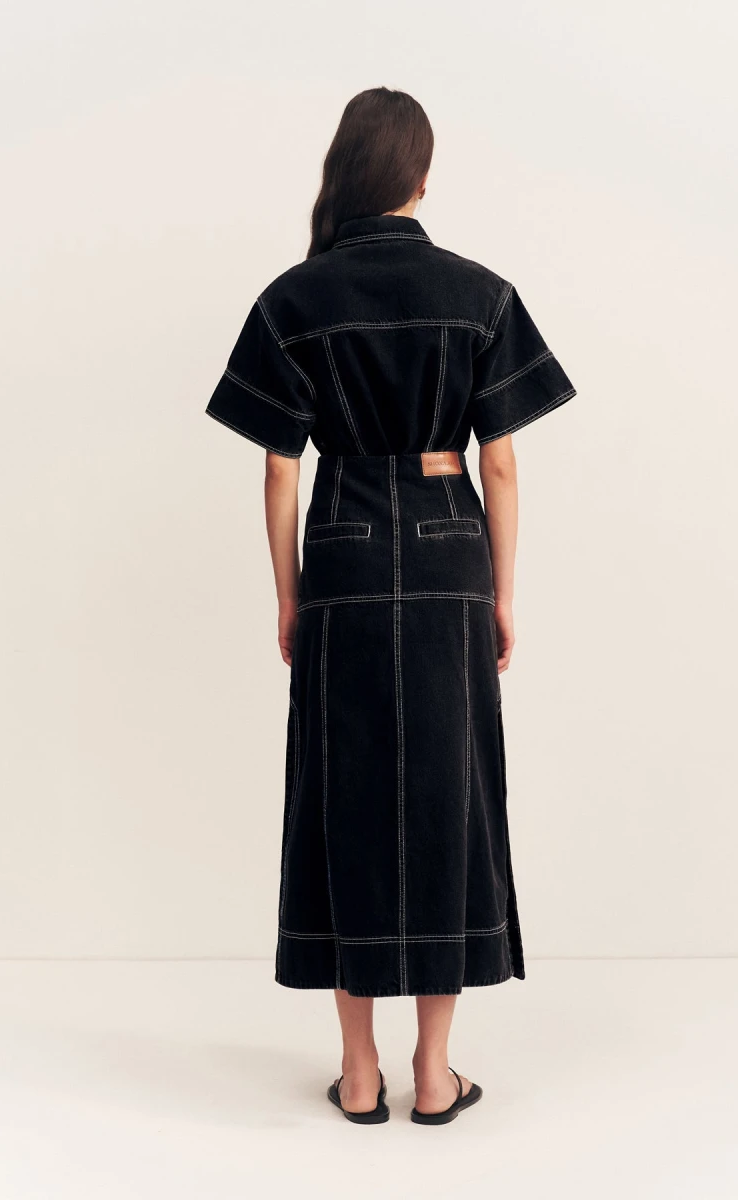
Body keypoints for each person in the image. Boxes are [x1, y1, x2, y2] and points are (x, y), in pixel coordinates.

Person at [205, 87, 575, 1125]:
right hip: (453, 557)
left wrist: (289, 598)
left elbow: (279, 471)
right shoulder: (480, 294)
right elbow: (500, 465)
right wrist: (502, 594)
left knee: (346, 799)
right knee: (451, 798)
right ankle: (437, 1073)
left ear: (345, 170)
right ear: (421, 174)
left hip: (343, 561)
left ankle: (359, 1072)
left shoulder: (294, 300)